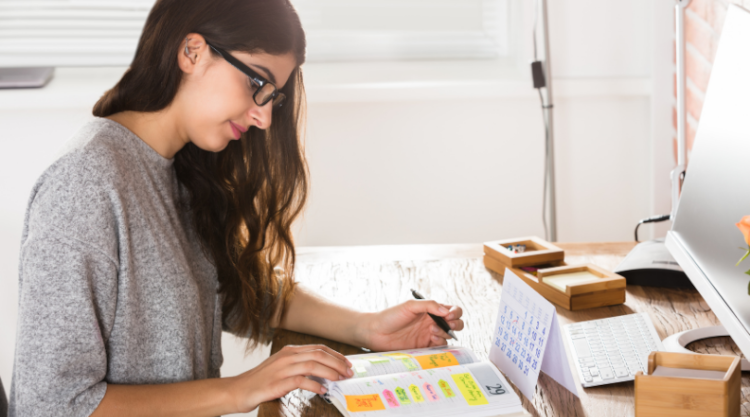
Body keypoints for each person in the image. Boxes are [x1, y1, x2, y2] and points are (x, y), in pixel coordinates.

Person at [9, 0, 464, 416]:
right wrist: (239, 390)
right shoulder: (85, 186)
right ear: (192, 52)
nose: (264, 117)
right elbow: (51, 405)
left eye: (271, 95)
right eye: (257, 82)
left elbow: (232, 292)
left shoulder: (182, 166)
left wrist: (368, 327)